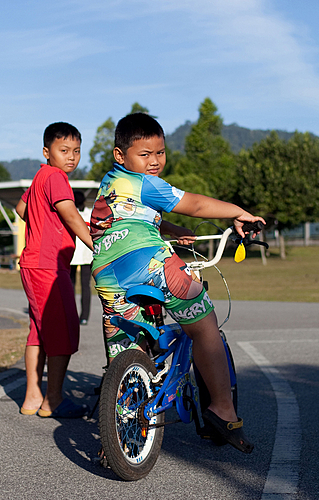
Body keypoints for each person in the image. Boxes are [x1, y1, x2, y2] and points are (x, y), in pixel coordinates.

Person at [91, 112, 264, 453]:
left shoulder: (110, 184)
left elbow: (123, 216)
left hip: (107, 272)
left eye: (160, 152)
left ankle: (121, 423)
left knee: (128, 344)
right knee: (204, 322)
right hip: (149, 262)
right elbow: (194, 204)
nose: (154, 161)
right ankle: (222, 410)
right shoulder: (147, 183)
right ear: (120, 155)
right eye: (145, 154)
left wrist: (170, 229)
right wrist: (238, 212)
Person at [16, 122, 93, 418]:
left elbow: (21, 209)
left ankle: (32, 397)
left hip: (33, 263)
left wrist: (42, 224)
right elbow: (70, 214)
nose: (71, 157)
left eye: (76, 151)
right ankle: (54, 400)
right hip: (48, 264)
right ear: (47, 152)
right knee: (63, 329)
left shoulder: (40, 177)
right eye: (64, 150)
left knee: (39, 331)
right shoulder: (57, 177)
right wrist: (95, 243)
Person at [70, 190, 93, 325]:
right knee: (83, 286)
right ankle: (82, 316)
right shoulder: (90, 213)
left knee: (74, 286)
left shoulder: (72, 213)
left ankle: (80, 316)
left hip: (83, 255)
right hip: (79, 254)